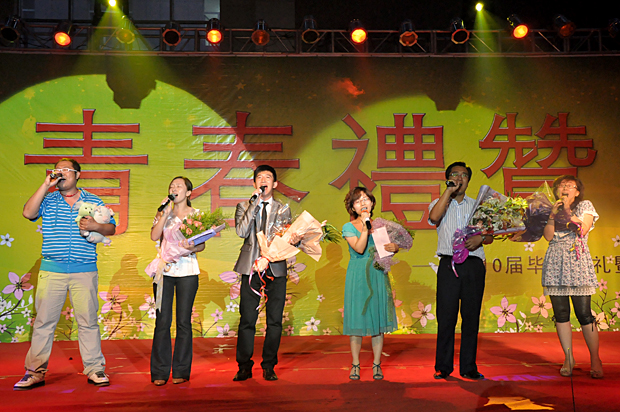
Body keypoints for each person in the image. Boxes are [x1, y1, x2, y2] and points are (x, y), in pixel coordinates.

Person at [15, 158, 116, 390]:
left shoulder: (93, 200)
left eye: (66, 169)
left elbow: (111, 227)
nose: (60, 173)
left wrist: (95, 226)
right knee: (44, 323)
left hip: (85, 269)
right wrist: (45, 185)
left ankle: (95, 369)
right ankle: (35, 372)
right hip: (52, 270)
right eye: (57, 170)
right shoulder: (48, 199)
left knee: (88, 322)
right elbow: (28, 213)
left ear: (77, 175)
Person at [428, 161, 492, 381]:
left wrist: (481, 238)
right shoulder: (438, 203)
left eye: (464, 175)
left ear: (468, 180)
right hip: (449, 265)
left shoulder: (478, 206)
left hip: (473, 264)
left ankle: (468, 367)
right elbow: (434, 218)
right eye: (454, 174)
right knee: (446, 317)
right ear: (448, 178)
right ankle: (443, 366)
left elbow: (490, 235)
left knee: (471, 317)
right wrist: (448, 191)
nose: (459, 178)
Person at [232, 165, 292, 382]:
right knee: (247, 318)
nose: (263, 180)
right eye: (259, 177)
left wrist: (270, 255)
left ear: (275, 184)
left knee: (274, 320)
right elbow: (241, 232)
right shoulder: (243, 206)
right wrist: (254, 204)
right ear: (254, 183)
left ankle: (269, 365)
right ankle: (244, 366)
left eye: (268, 177)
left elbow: (286, 238)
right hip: (251, 267)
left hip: (275, 267)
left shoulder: (283, 209)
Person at [542, 175, 603, 379]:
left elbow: (582, 230)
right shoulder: (550, 208)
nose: (565, 188)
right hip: (555, 263)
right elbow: (548, 236)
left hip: (577, 263)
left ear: (577, 192)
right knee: (561, 314)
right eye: (562, 185)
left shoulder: (585, 205)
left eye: (570, 185)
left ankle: (595, 358)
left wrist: (567, 209)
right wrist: (552, 214)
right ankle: (568, 358)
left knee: (584, 314)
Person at [146, 176, 205, 386]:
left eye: (179, 186)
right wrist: (164, 214)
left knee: (183, 322)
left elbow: (201, 245)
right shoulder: (164, 213)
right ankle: (159, 372)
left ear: (188, 193)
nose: (174, 188)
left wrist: (192, 246)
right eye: (172, 186)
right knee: (162, 321)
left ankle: (181, 370)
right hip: (165, 271)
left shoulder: (196, 215)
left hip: (187, 270)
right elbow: (154, 236)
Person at [342, 187, 399, 380]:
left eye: (366, 199)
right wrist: (366, 228)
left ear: (372, 203)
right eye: (358, 201)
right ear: (353, 208)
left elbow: (384, 253)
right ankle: (355, 364)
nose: (363, 203)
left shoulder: (380, 226)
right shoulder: (348, 227)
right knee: (357, 321)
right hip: (357, 275)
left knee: (377, 321)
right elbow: (359, 248)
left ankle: (376, 364)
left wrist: (394, 248)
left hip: (376, 273)